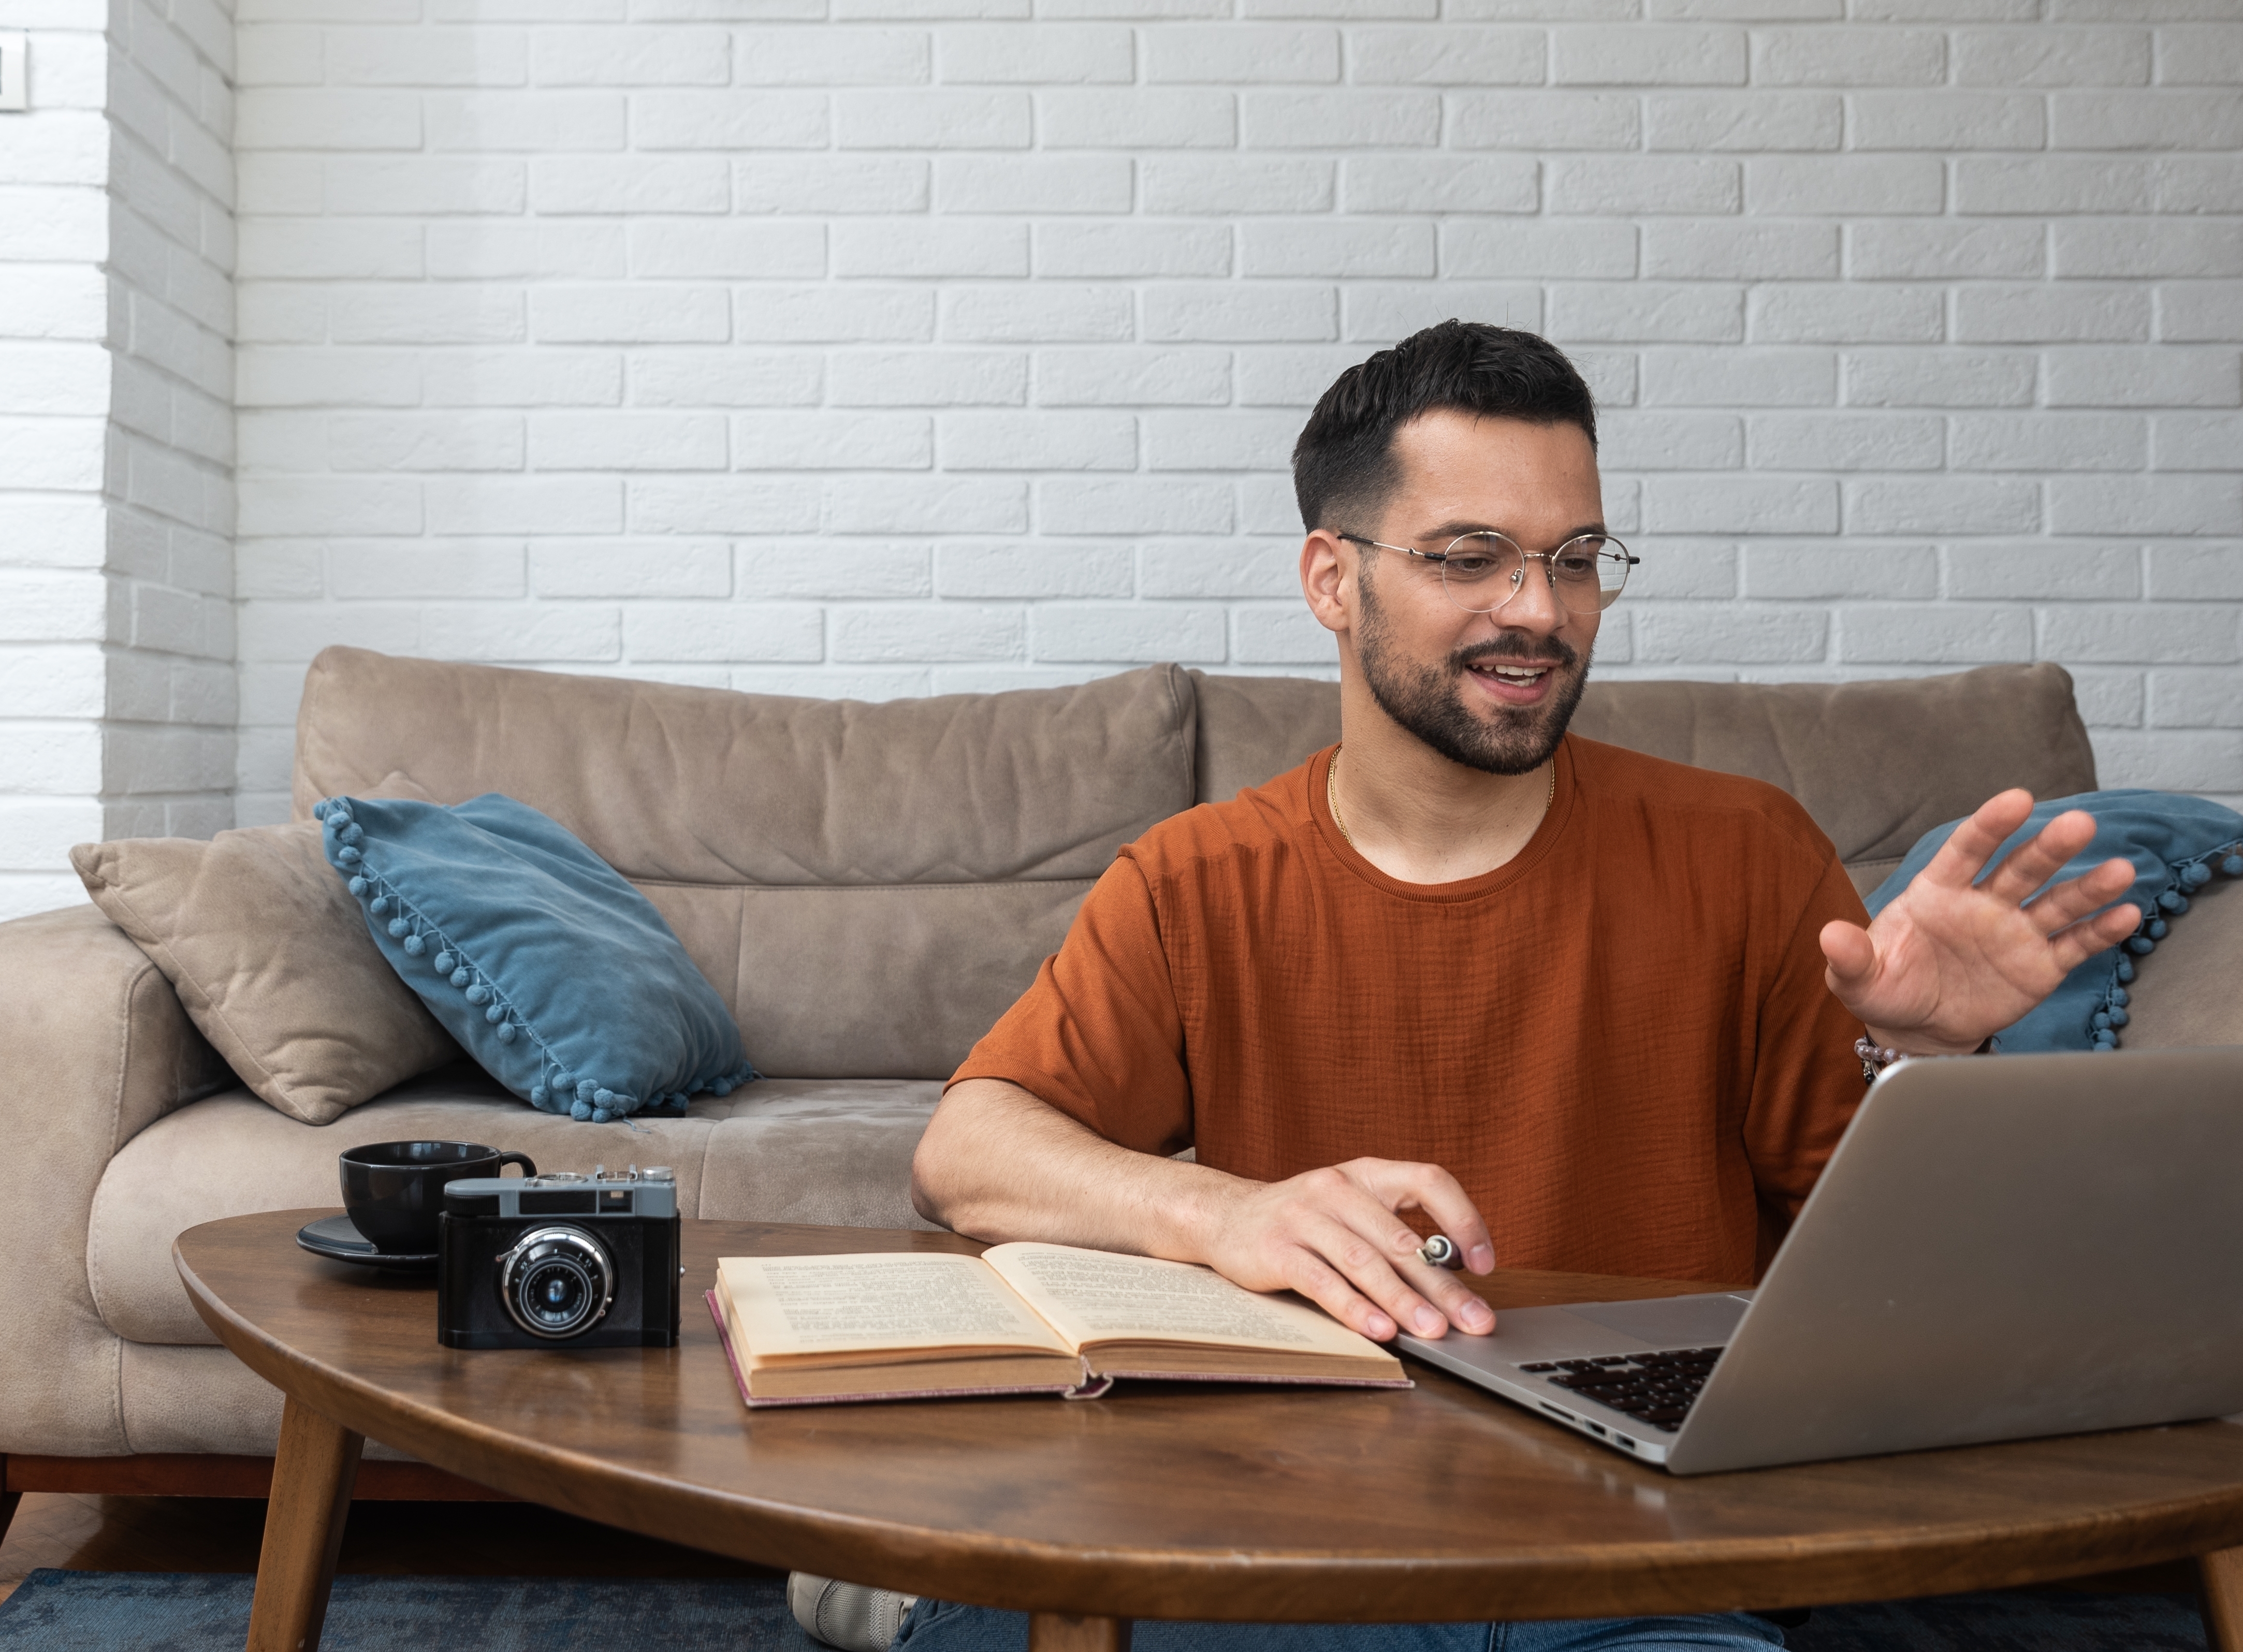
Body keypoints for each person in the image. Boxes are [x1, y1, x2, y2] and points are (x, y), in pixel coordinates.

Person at [791, 321, 2140, 1652]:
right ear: (1333, 578)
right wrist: (1227, 1212)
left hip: (1641, 1557)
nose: (1540, 612)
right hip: (1293, 1540)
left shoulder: (1751, 855)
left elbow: (1906, 1292)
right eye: (1469, 559)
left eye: (1575, 560)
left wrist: (1929, 1069)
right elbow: (965, 1151)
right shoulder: (1199, 879)